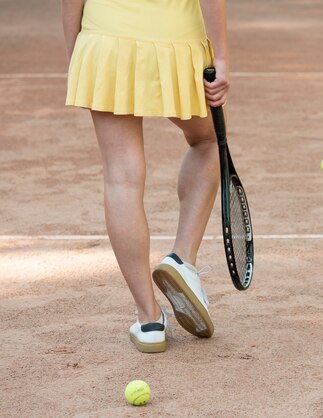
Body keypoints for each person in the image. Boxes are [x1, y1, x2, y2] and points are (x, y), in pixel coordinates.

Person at [61, 0, 229, 353]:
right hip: (177, 42)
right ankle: (182, 259)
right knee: (208, 142)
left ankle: (149, 319)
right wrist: (223, 57)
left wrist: (77, 50)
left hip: (106, 39)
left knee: (122, 176)